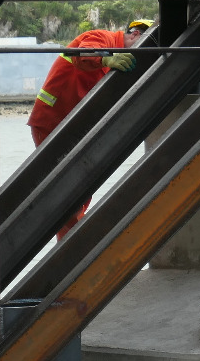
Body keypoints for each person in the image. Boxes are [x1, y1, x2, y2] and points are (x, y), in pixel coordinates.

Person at [27, 18, 153, 239]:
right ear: (135, 35)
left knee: (81, 190)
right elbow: (83, 56)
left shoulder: (118, 65)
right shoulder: (101, 38)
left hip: (73, 128)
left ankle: (70, 248)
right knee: (67, 191)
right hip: (51, 123)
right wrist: (107, 58)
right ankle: (76, 244)